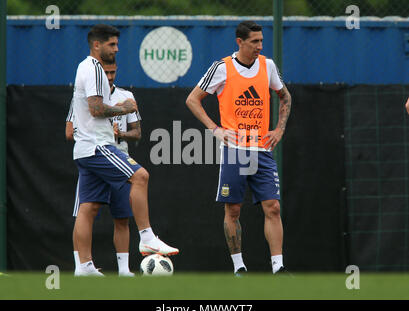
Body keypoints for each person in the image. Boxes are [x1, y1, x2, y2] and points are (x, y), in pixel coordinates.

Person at [71, 24, 178, 276]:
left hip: (85, 149)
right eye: (111, 44)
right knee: (140, 176)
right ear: (96, 45)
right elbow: (97, 110)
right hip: (97, 145)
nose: (116, 49)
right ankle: (147, 237)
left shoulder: (84, 67)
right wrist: (125, 108)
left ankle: (83, 266)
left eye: (117, 44)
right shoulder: (95, 68)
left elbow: (96, 110)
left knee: (88, 208)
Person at [186, 21, 291, 275]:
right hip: (234, 149)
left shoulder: (268, 66)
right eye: (255, 41)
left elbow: (285, 95)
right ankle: (239, 267)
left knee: (273, 207)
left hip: (262, 150)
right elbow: (192, 99)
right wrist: (215, 129)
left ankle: (278, 267)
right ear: (239, 42)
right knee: (233, 209)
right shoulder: (221, 68)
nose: (260, 46)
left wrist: (279, 129)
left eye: (262, 41)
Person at [66, 61, 142, 277]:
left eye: (112, 72)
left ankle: (124, 270)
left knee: (122, 217)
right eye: (105, 72)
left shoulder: (126, 96)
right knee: (86, 211)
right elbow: (69, 132)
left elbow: (137, 133)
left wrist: (119, 134)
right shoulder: (81, 97)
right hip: (94, 156)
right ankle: (80, 266)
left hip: (120, 160)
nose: (108, 76)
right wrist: (96, 132)